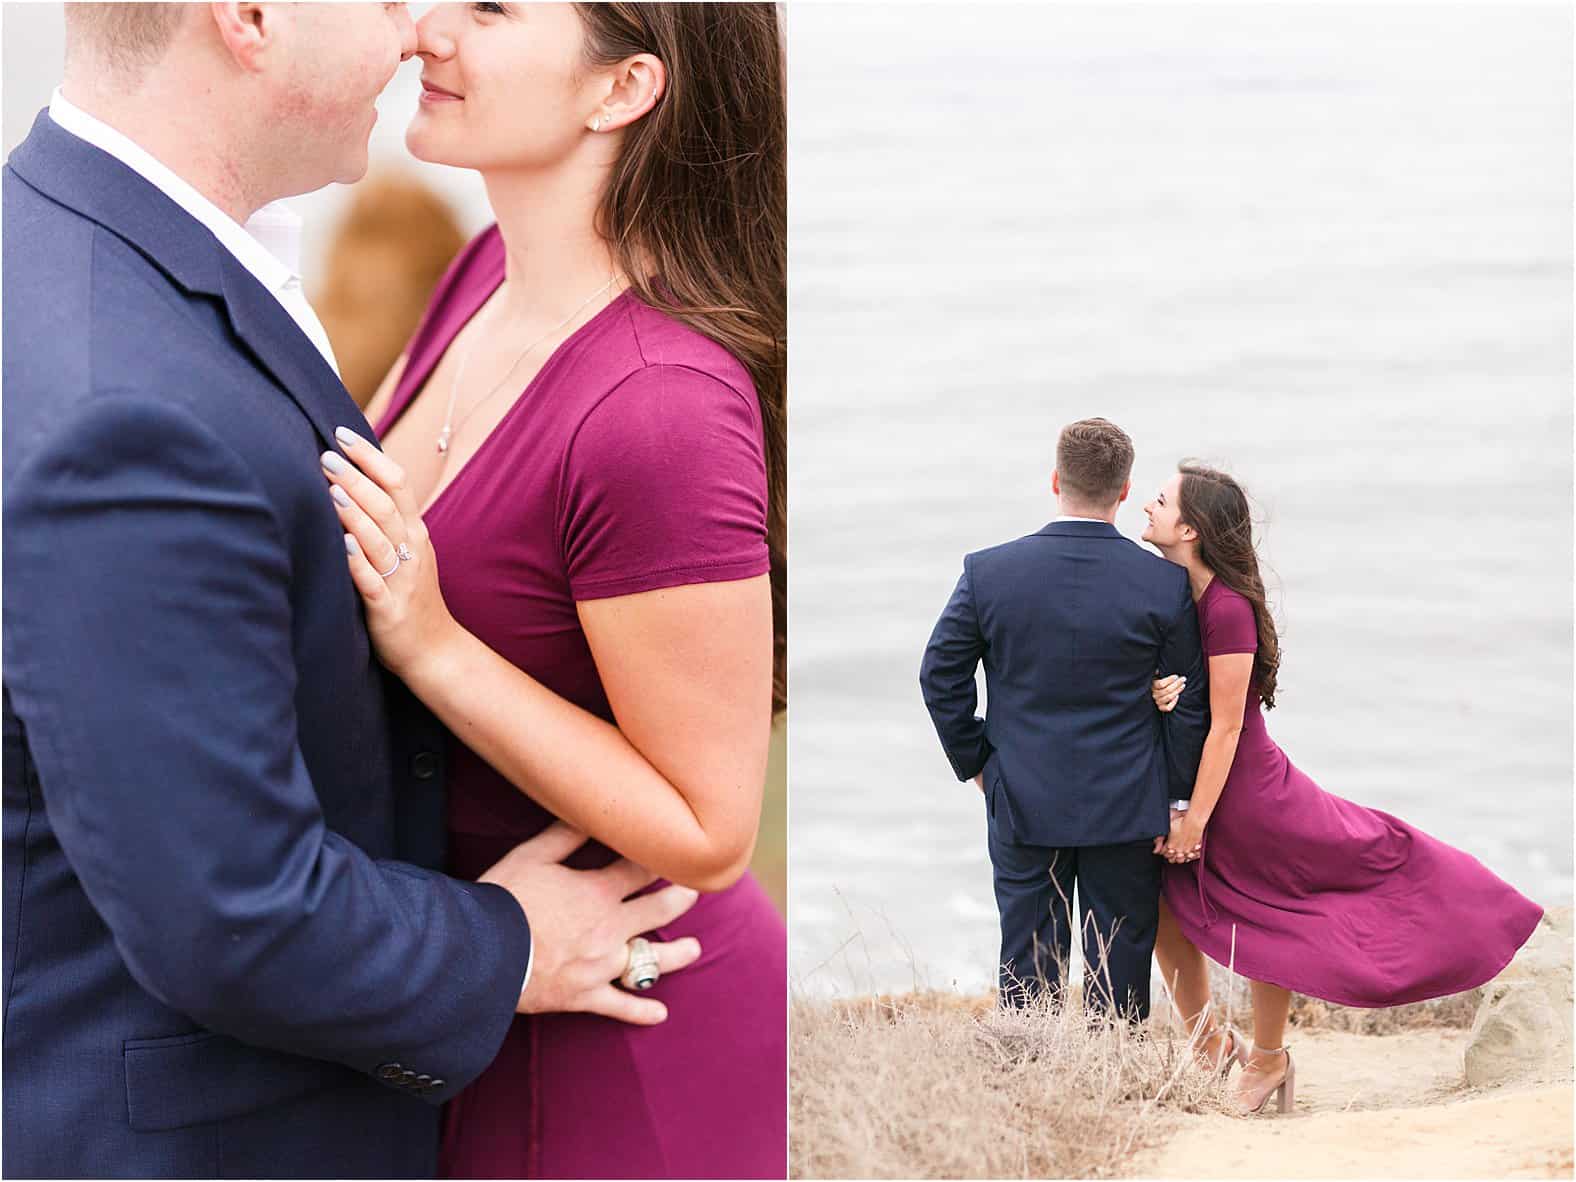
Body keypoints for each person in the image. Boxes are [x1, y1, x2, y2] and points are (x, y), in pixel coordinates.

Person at [2, 5, 702, 1178]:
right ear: (253, 18)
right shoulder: (126, 407)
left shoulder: (75, 247)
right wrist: (513, 947)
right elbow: (230, 909)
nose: (413, 25)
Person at [321, 4, 787, 1177]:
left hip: (628, 1039)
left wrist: (435, 648)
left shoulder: (659, 408)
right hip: (493, 987)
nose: (428, 30)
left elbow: (712, 828)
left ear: (621, 89)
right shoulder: (485, 273)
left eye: (490, 7)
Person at [1143, 462, 1545, 1114]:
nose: (1147, 507)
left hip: (1248, 799)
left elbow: (1226, 728)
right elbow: (1186, 695)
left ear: (1190, 528)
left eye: (1160, 501)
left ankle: (1268, 1060)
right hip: (1202, 791)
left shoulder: (1228, 608)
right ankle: (1210, 1045)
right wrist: (1160, 691)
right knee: (1165, 905)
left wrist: (1193, 821)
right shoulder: (1174, 593)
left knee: (1272, 917)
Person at [919, 418, 1209, 1019]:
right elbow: (1187, 705)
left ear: (1056, 480)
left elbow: (939, 677)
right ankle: (1113, 1085)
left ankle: (1032, 1084)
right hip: (1130, 801)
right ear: (1125, 490)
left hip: (1022, 793)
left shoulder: (989, 572)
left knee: (1029, 963)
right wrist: (1176, 797)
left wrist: (979, 763)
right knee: (1119, 962)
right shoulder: (1164, 583)